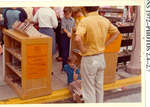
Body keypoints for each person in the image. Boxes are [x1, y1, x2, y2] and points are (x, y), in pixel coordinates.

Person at [75, 6, 120, 103]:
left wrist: (82, 49)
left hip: (89, 59)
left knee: (88, 89)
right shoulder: (105, 20)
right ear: (98, 7)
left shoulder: (85, 21)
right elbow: (116, 33)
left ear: (84, 9)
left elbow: (77, 38)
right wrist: (105, 44)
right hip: (100, 57)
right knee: (99, 87)